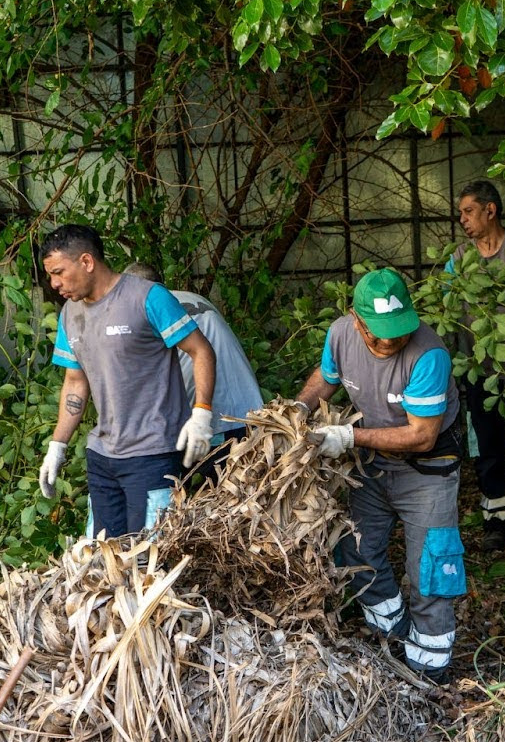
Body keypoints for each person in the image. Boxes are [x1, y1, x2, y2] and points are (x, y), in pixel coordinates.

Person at [296, 268, 465, 683]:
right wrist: (296, 412)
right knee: (354, 548)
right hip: (370, 465)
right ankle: (391, 631)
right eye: (378, 333)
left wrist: (350, 437)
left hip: (427, 470)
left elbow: (422, 436)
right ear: (356, 319)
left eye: (398, 332)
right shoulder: (340, 335)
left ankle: (430, 664)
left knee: (430, 563)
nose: (389, 342)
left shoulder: (429, 353)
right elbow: (326, 379)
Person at [35, 224, 218, 539]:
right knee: (101, 559)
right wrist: (57, 446)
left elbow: (201, 351)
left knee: (150, 560)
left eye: (59, 272)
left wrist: (201, 413)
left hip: (153, 451)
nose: (54, 284)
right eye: (51, 275)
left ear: (87, 262)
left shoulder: (147, 297)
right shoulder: (69, 314)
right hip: (102, 455)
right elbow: (75, 383)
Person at [447, 181, 505, 551]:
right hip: (482, 373)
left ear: (491, 210)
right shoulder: (459, 258)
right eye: (460, 213)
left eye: (468, 211)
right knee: (488, 451)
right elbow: (446, 308)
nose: (462, 220)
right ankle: (496, 522)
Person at [124, 262, 263, 481]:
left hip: (209, 422)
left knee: (192, 496)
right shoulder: (192, 298)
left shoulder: (149, 312)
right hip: (250, 413)